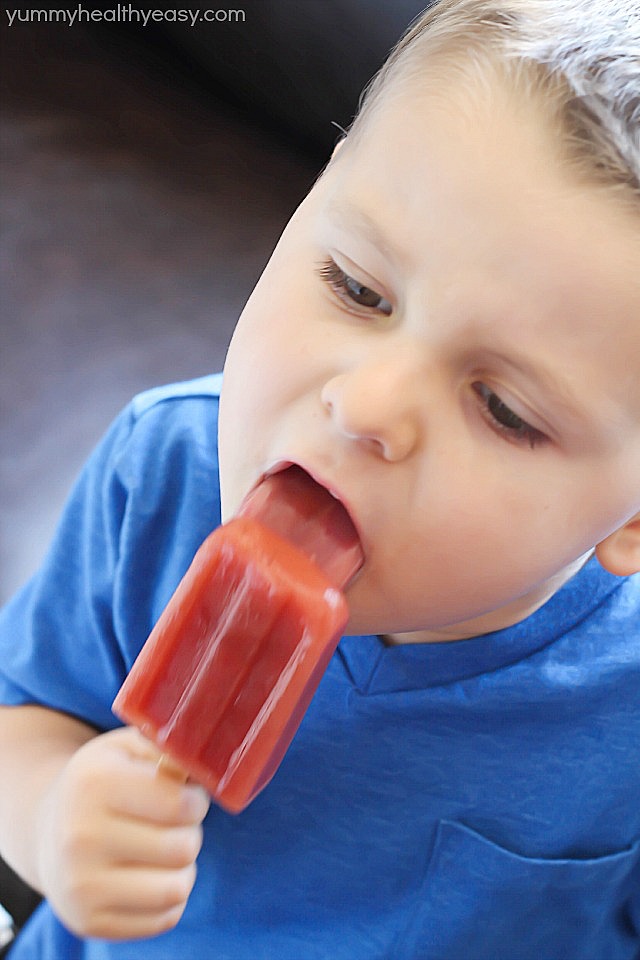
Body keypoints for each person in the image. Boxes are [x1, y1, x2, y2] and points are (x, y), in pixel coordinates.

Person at [1, 0, 639, 957]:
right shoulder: (161, 476)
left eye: (503, 408)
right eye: (355, 286)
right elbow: (22, 720)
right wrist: (56, 819)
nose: (368, 403)